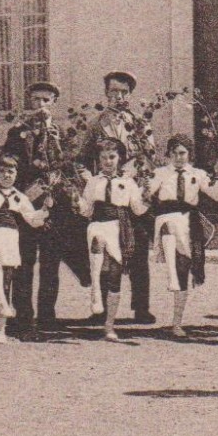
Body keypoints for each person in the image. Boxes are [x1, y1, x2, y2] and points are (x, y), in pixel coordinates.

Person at [81, 72, 157, 323]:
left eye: (124, 92)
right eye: (113, 92)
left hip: (131, 194)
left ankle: (141, 307)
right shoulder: (95, 124)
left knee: (138, 249)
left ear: (130, 95)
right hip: (105, 198)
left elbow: (150, 157)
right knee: (103, 253)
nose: (118, 97)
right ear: (106, 93)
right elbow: (81, 160)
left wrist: (140, 178)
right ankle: (100, 308)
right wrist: (90, 183)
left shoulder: (139, 124)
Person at [1, 81, 72, 335]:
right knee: (24, 260)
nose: (41, 105)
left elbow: (69, 166)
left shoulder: (62, 132)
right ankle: (23, 316)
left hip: (53, 205)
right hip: (27, 202)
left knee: (51, 262)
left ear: (54, 102)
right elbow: (8, 164)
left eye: (46, 100)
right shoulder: (18, 132)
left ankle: (47, 314)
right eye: (36, 100)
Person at [145, 134, 218, 338]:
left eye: (182, 153)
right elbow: (146, 194)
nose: (178, 157)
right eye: (174, 153)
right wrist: (142, 183)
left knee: (184, 271)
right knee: (169, 225)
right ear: (168, 154)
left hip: (188, 222)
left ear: (189, 154)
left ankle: (176, 323)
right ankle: (171, 275)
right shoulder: (160, 173)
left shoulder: (197, 174)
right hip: (165, 217)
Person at [0, 153, 49, 345]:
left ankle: (1, 331)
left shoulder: (20, 198)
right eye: (2, 171)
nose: (6, 175)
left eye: (10, 172)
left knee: (6, 281)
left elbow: (32, 220)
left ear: (16, 174)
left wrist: (45, 210)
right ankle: (2, 301)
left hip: (10, 239)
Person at [77, 138, 148, 342]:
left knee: (114, 276)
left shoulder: (128, 182)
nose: (108, 161)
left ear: (119, 158)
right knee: (97, 242)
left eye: (112, 157)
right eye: (103, 158)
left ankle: (109, 325)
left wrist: (146, 197)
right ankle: (96, 294)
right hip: (99, 223)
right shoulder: (93, 182)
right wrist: (77, 201)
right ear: (98, 160)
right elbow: (87, 210)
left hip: (120, 227)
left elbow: (138, 209)